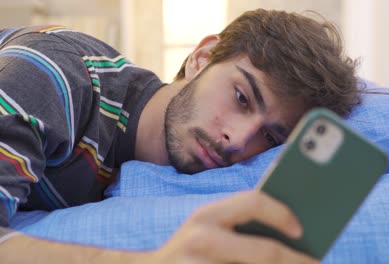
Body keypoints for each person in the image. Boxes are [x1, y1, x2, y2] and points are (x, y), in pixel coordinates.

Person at [0, 9, 358, 263]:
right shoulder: (54, 78)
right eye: (241, 98)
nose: (238, 140)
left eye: (269, 136)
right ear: (201, 58)